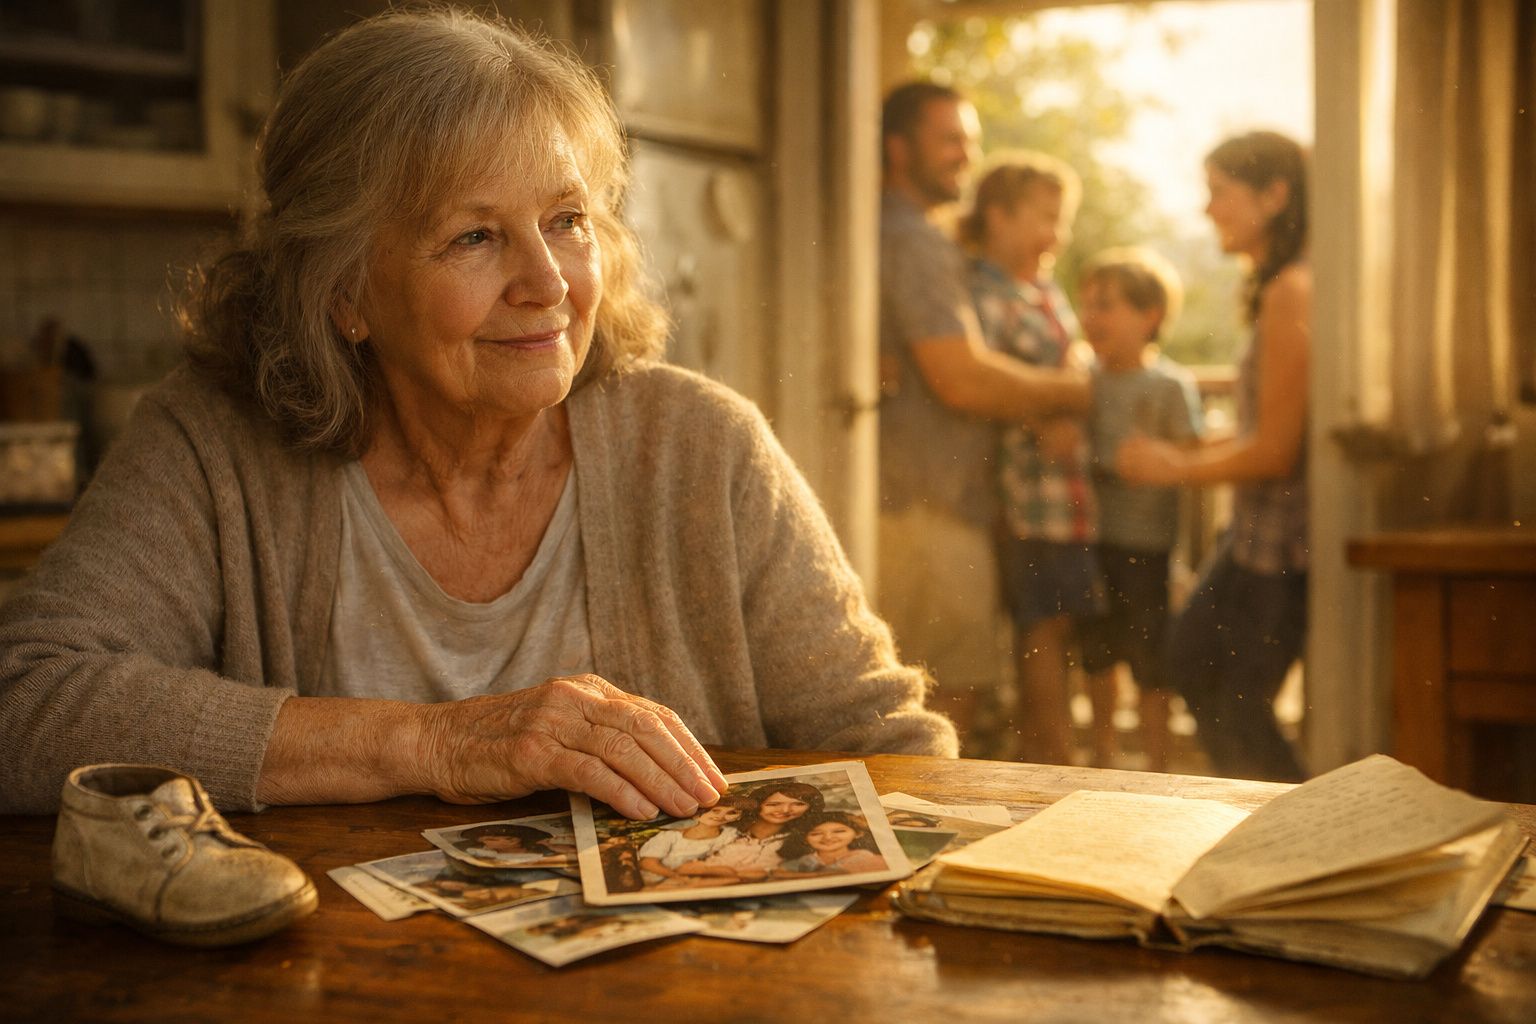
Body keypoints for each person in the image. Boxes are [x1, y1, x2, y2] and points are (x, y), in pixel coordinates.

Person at [0, 9, 958, 818]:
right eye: (474, 236)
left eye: (568, 221)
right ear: (345, 294)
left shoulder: (701, 447)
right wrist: (434, 744)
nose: (545, 283)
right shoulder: (217, 445)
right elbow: (26, 703)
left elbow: (892, 752)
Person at [878, 81, 1090, 755]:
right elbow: (961, 377)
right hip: (925, 506)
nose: (965, 156)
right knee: (942, 708)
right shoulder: (910, 238)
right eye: (950, 140)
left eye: (970, 141)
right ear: (897, 147)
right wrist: (1078, 394)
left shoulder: (920, 238)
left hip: (934, 503)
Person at [1117, 131, 1311, 782]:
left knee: (1230, 700)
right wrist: (1194, 448)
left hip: (1279, 547)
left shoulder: (1294, 291)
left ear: (1275, 195)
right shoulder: (1281, 286)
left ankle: (1304, 829)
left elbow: (1278, 451)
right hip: (1253, 536)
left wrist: (1175, 468)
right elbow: (1268, 426)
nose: (1207, 212)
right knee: (1192, 660)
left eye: (1219, 194)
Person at [958, 152, 1099, 767]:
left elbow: (1070, 364)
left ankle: (1051, 755)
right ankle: (1051, 764)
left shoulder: (1041, 288)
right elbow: (988, 380)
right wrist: (1049, 410)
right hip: (1023, 498)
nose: (1057, 236)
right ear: (999, 215)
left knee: (1058, 634)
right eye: (1046, 218)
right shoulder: (980, 290)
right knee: (1039, 636)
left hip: (1065, 499)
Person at [1073, 247, 1203, 772]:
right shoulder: (1083, 379)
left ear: (1149, 315)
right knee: (1098, 655)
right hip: (1092, 540)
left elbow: (1193, 459)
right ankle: (1103, 755)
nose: (1091, 318)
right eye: (1086, 305)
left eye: (1106, 305)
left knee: (1152, 663)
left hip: (1149, 548)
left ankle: (1158, 763)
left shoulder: (1170, 386)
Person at [676, 782, 823, 883]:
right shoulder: (725, 830)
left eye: (798, 804)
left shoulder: (807, 840)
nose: (785, 810)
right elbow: (682, 865)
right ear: (758, 806)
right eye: (773, 804)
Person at [637, 792, 755, 887]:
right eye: (715, 810)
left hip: (703, 879)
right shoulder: (670, 836)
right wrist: (678, 877)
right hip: (659, 880)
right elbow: (648, 863)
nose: (720, 816)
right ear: (699, 813)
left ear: (739, 817)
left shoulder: (729, 836)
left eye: (732, 813)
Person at [772, 812, 888, 876]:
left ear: (857, 833)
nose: (828, 838)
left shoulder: (866, 858)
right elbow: (778, 874)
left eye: (839, 831)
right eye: (816, 833)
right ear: (805, 838)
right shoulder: (803, 861)